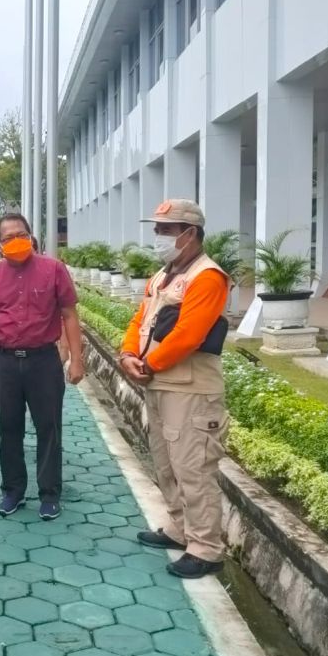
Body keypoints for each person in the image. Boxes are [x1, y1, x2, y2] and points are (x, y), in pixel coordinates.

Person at [118, 198, 231, 579]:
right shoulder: (162, 275)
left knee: (194, 467)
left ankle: (206, 547)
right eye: (157, 228)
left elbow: (189, 334)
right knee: (166, 462)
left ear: (190, 234)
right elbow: (141, 319)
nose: (157, 236)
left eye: (165, 230)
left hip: (191, 388)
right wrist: (127, 353)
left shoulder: (207, 277)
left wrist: (148, 364)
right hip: (161, 383)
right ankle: (180, 528)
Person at [0, 213, 85, 520]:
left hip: (44, 361)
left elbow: (70, 315)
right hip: (5, 362)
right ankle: (13, 491)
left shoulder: (53, 269)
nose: (16, 241)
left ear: (31, 236)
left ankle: (49, 494)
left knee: (49, 428)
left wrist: (77, 359)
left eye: (21, 234)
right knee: (9, 428)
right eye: (8, 238)